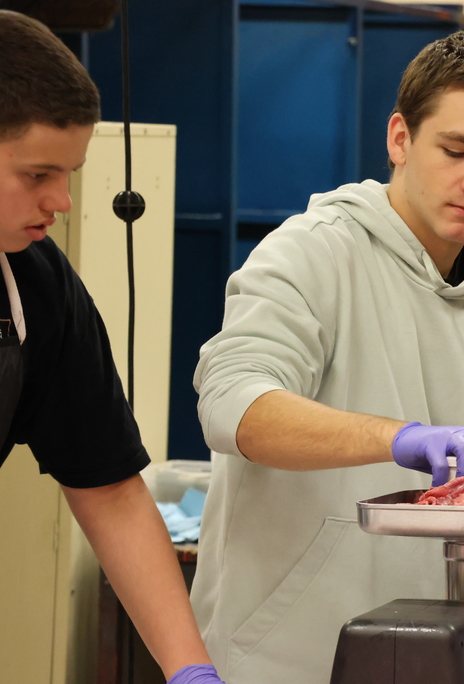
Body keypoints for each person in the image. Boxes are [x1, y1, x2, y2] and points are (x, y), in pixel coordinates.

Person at [190, 30, 464, 683]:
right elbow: (233, 407)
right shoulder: (311, 254)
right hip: (283, 660)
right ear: (400, 139)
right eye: (456, 150)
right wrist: (398, 439)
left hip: (433, 665)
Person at [0, 10, 224, 684]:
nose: (62, 200)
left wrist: (188, 668)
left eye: (70, 173)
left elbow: (110, 491)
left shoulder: (37, 287)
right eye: (38, 175)